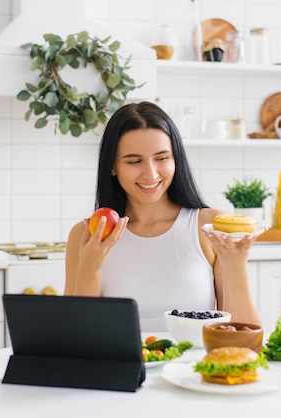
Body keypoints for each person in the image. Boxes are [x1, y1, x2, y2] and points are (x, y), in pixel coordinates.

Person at [64, 101, 261, 332]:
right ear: (112, 166)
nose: (151, 173)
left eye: (162, 158)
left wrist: (236, 266)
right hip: (122, 368)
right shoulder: (86, 235)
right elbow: (75, 339)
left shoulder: (208, 227)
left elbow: (245, 339)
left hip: (193, 367)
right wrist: (90, 268)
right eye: (134, 161)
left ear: (176, 159)